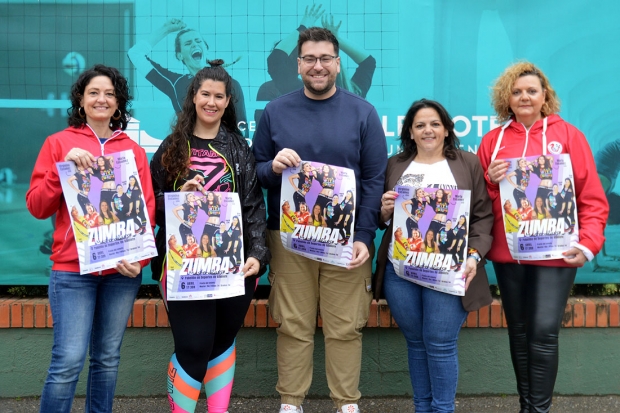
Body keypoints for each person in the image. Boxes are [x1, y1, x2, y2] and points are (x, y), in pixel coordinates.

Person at [252, 27, 387, 413]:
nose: (318, 66)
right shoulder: (276, 111)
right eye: (309, 58)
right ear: (297, 65)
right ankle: (291, 402)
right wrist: (273, 168)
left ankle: (346, 404)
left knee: (346, 325)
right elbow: (255, 170)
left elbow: (374, 178)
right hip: (289, 239)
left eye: (325, 58)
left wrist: (364, 234)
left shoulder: (362, 112)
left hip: (346, 240)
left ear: (337, 62)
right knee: (293, 324)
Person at [477, 62, 608, 413]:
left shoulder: (569, 136)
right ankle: (526, 407)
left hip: (557, 253)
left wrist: (588, 244)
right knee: (519, 333)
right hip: (510, 256)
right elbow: (480, 205)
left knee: (544, 332)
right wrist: (489, 180)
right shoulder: (493, 141)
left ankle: (539, 410)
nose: (524, 97)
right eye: (516, 91)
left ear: (544, 96)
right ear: (507, 97)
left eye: (531, 91)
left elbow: (592, 198)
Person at [26, 64, 155, 413]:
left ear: (118, 103)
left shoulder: (134, 151)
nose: (102, 99)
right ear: (81, 101)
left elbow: (147, 209)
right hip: (72, 271)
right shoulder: (59, 143)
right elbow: (37, 206)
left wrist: (140, 260)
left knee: (108, 359)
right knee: (67, 362)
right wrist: (61, 170)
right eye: (94, 93)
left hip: (121, 273)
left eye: (110, 94)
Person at [149, 60, 269, 413]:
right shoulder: (172, 146)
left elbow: (252, 207)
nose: (212, 102)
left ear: (228, 101)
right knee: (195, 346)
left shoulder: (238, 148)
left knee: (221, 343)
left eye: (219, 96)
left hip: (234, 268)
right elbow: (147, 205)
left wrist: (258, 255)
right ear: (194, 97)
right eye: (206, 94)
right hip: (182, 267)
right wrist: (177, 197)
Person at [374, 99, 493, 413]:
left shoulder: (467, 163)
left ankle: (442, 410)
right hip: (401, 273)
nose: (428, 130)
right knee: (416, 342)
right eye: (420, 125)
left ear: (446, 130)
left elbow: (483, 217)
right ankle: (421, 408)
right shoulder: (395, 165)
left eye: (435, 124)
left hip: (451, 270)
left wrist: (474, 255)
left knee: (439, 343)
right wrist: (385, 210)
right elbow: (382, 218)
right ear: (410, 133)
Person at [127, 18, 248, 134]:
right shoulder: (175, 83)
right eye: (188, 43)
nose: (194, 45)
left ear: (206, 48)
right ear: (179, 55)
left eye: (198, 41)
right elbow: (135, 53)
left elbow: (241, 128)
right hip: (189, 151)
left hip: (222, 152)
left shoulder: (230, 84)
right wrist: (166, 29)